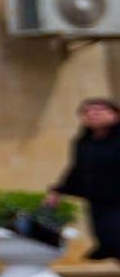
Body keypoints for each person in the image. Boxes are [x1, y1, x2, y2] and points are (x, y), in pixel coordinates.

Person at [50, 96, 120, 261]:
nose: (92, 115)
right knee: (107, 240)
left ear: (115, 114)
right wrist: (58, 191)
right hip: (99, 200)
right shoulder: (83, 142)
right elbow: (77, 169)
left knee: (117, 238)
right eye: (87, 112)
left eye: (99, 110)